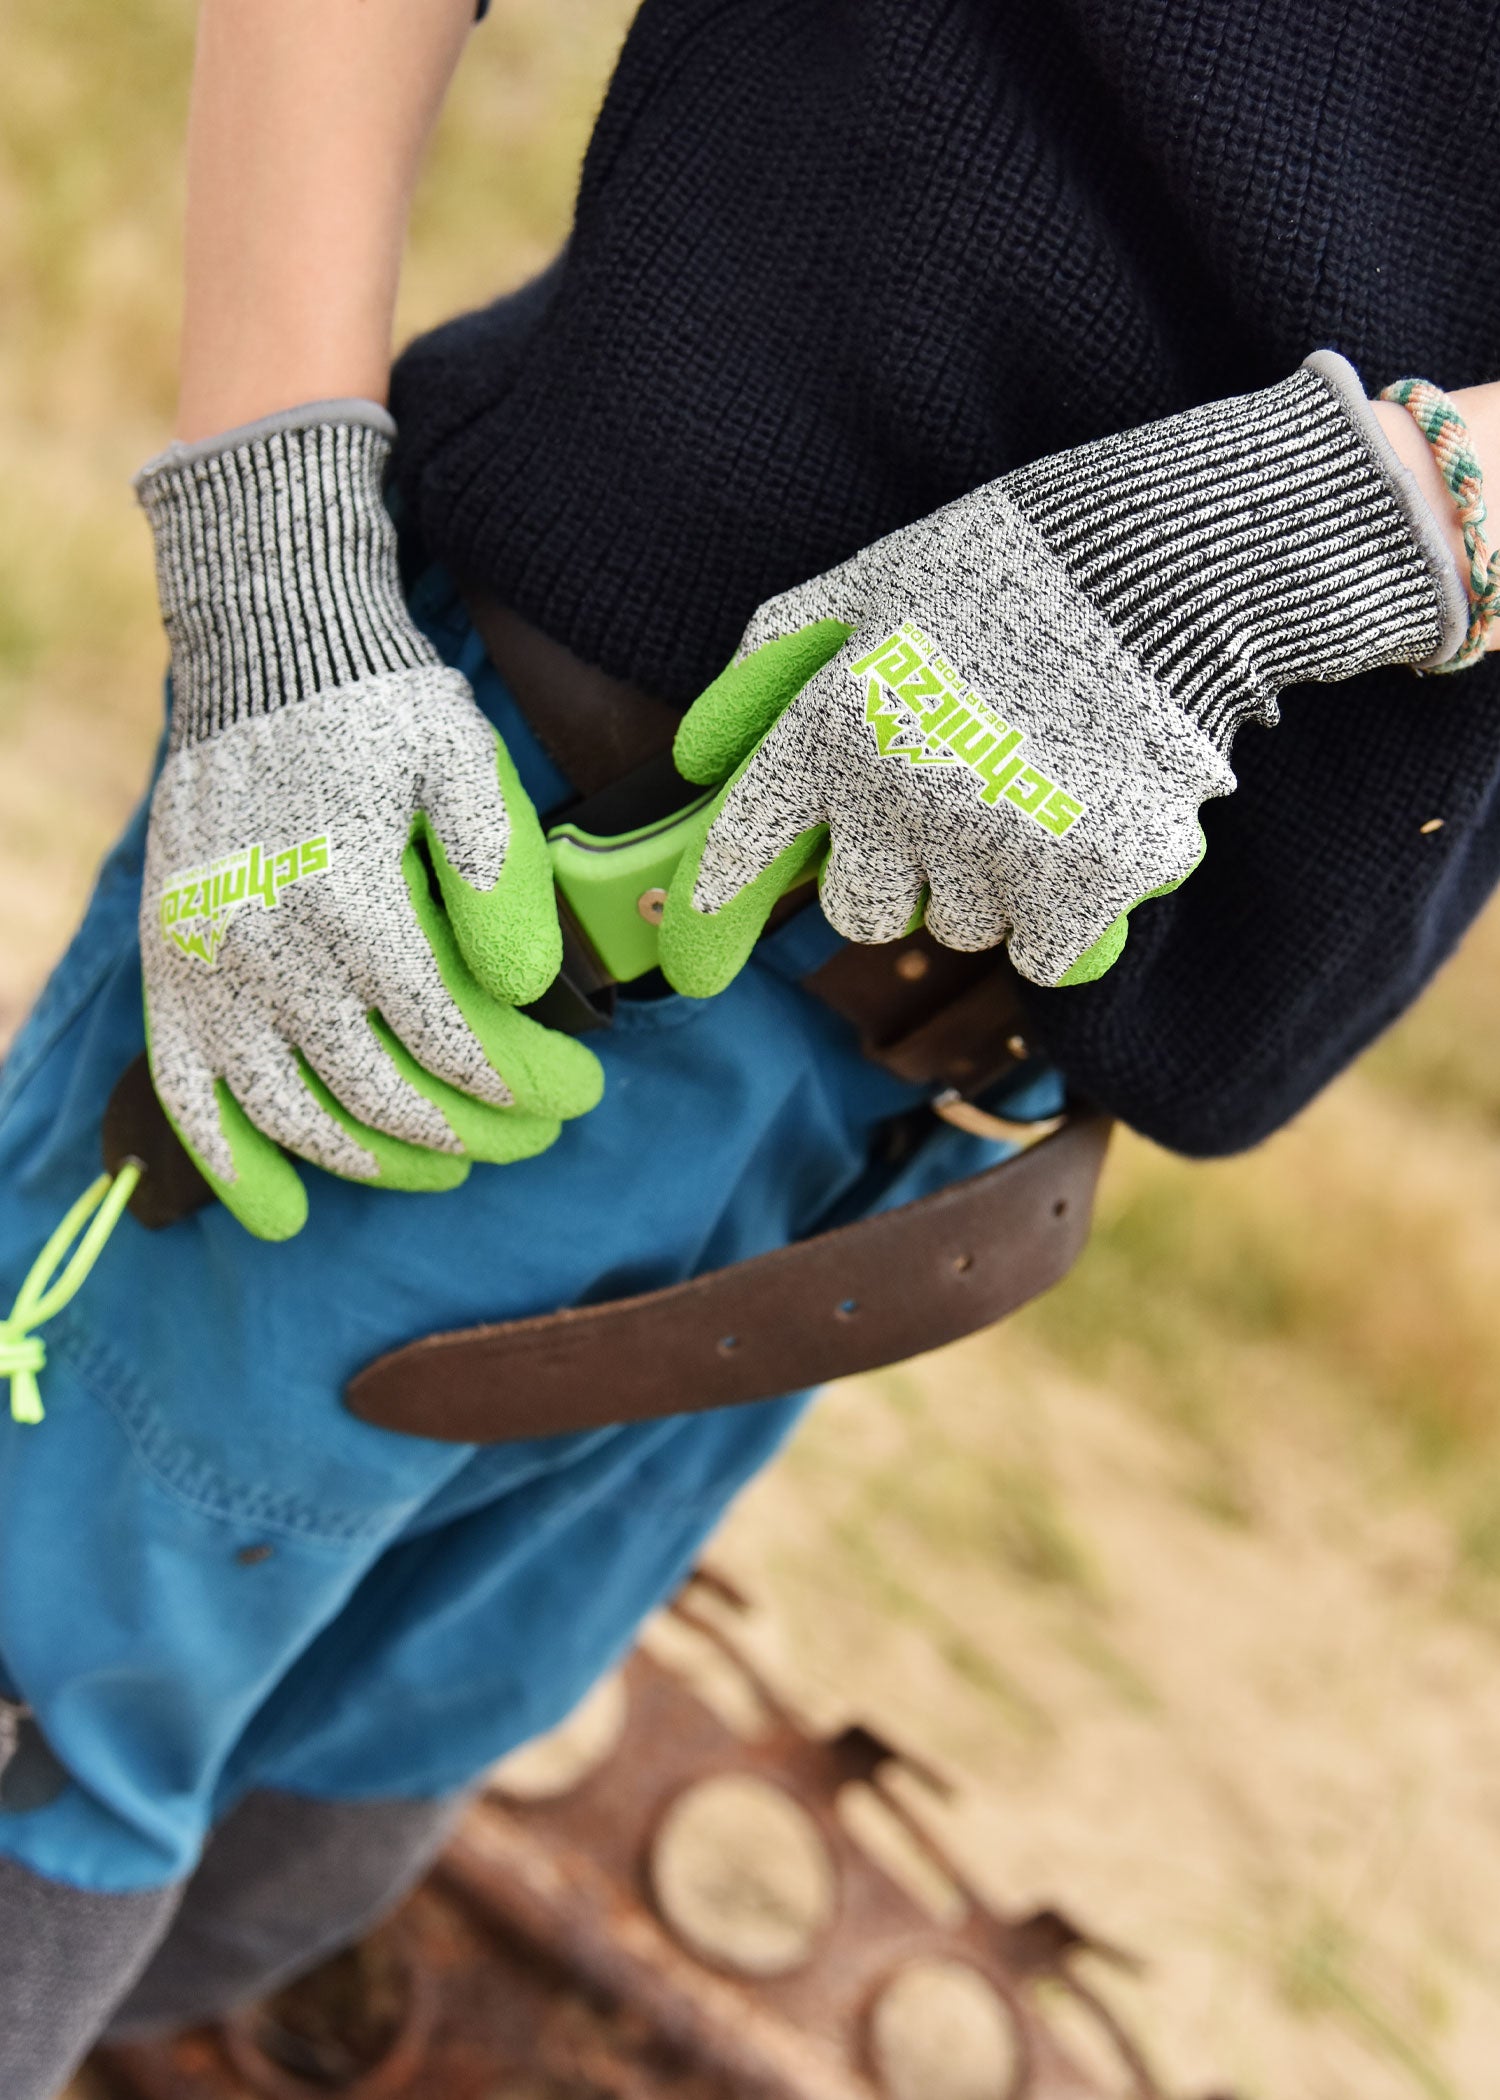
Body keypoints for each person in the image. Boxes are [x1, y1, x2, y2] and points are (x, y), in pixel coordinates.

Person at [3, 2, 1499, 2091]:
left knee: (296, 1860)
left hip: (964, 1092)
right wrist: (272, 575)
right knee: (45, 1794)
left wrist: (1354, 522)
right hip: (493, 878)